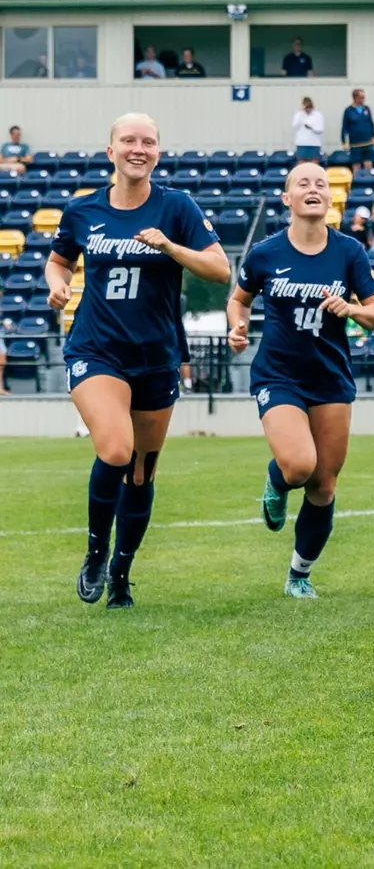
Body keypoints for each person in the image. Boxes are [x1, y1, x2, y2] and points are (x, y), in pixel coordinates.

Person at [46, 113, 231, 609]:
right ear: (111, 151)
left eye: (147, 141)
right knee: (114, 450)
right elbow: (59, 258)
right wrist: (57, 285)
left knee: (142, 471)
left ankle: (121, 576)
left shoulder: (177, 207)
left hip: (156, 358)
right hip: (96, 350)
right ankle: (94, 551)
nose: (138, 148)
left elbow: (220, 268)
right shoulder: (81, 211)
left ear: (157, 152)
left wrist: (171, 246)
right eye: (128, 140)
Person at [226, 164, 374, 597]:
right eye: (303, 183)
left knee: (324, 484)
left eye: (321, 184)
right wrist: (236, 326)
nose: (313, 189)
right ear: (287, 199)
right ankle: (276, 480)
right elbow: (238, 300)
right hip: (278, 375)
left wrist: (352, 310)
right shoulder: (264, 253)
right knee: (299, 465)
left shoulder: (349, 252)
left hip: (330, 378)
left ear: (330, 199)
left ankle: (299, 573)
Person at [340, 89, 374, 174]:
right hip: (355, 143)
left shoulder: (366, 109)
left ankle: (368, 179)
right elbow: (345, 127)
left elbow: (371, 123)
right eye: (361, 97)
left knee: (368, 162)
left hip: (368, 141)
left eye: (363, 97)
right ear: (355, 98)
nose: (363, 99)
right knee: (356, 164)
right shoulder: (348, 110)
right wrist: (344, 141)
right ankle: (357, 180)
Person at [292, 97, 325, 163]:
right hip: (302, 143)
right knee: (301, 164)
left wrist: (312, 127)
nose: (308, 109)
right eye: (306, 107)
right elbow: (294, 126)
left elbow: (320, 129)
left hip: (314, 144)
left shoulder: (318, 115)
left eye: (309, 107)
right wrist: (301, 114)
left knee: (314, 165)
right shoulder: (298, 115)